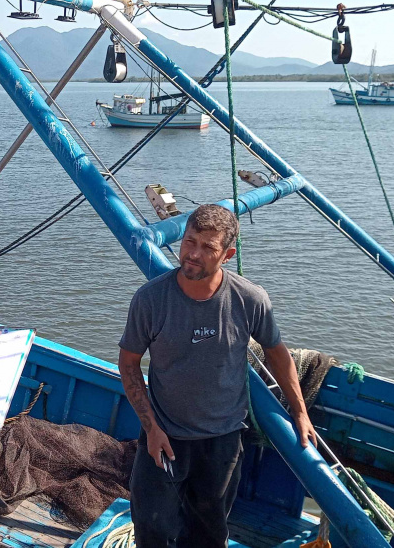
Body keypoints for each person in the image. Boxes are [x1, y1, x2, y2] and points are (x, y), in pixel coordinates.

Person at [117, 204, 317, 548]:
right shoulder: (150, 300)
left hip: (222, 440)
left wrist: (300, 412)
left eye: (207, 247)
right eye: (189, 241)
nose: (193, 254)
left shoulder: (250, 299)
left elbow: (277, 353)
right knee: (152, 528)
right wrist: (151, 429)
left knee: (209, 534)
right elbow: (129, 362)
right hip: (164, 436)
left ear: (228, 254)